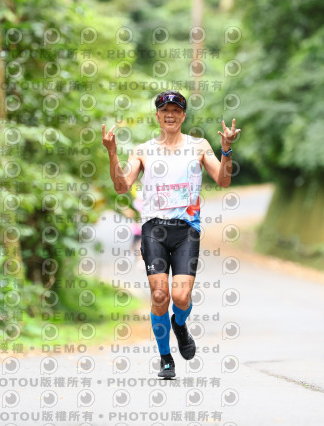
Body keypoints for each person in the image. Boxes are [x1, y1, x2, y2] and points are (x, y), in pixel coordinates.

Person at [102, 90, 240, 378]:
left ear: (183, 116)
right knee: (160, 295)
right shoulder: (143, 150)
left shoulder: (199, 146)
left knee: (181, 297)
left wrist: (226, 149)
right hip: (154, 229)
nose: (170, 115)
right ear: (157, 115)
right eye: (165, 110)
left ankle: (179, 324)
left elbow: (223, 180)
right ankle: (165, 358)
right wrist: (112, 153)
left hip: (187, 230)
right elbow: (121, 186)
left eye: (176, 110)